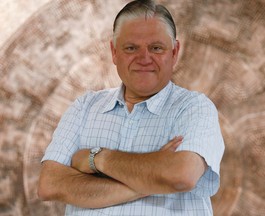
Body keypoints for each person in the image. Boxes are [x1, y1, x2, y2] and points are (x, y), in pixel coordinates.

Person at [38, 0, 225, 215]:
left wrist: (97, 158)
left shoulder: (195, 107)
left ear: (174, 52)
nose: (144, 58)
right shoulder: (84, 107)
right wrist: (153, 180)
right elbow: (49, 184)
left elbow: (181, 176)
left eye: (156, 48)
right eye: (131, 48)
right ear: (114, 52)